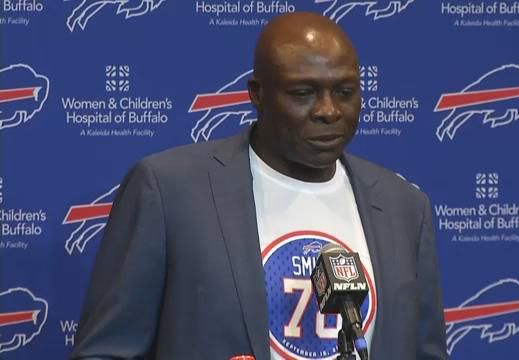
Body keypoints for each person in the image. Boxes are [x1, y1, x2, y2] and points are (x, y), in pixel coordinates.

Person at [70, 12, 447, 360]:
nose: (329, 111)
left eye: (345, 92)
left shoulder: (404, 208)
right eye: (304, 93)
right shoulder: (169, 191)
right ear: (257, 94)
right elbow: (106, 351)